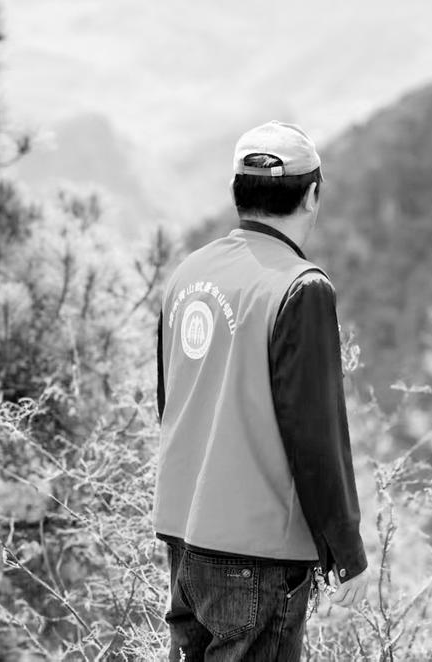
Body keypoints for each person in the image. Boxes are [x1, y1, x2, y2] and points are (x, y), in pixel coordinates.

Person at [153, 120, 369, 661]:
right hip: (257, 554)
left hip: (184, 539)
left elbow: (169, 404)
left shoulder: (188, 274)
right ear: (312, 194)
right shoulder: (300, 288)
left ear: (237, 191)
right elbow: (314, 434)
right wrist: (345, 550)